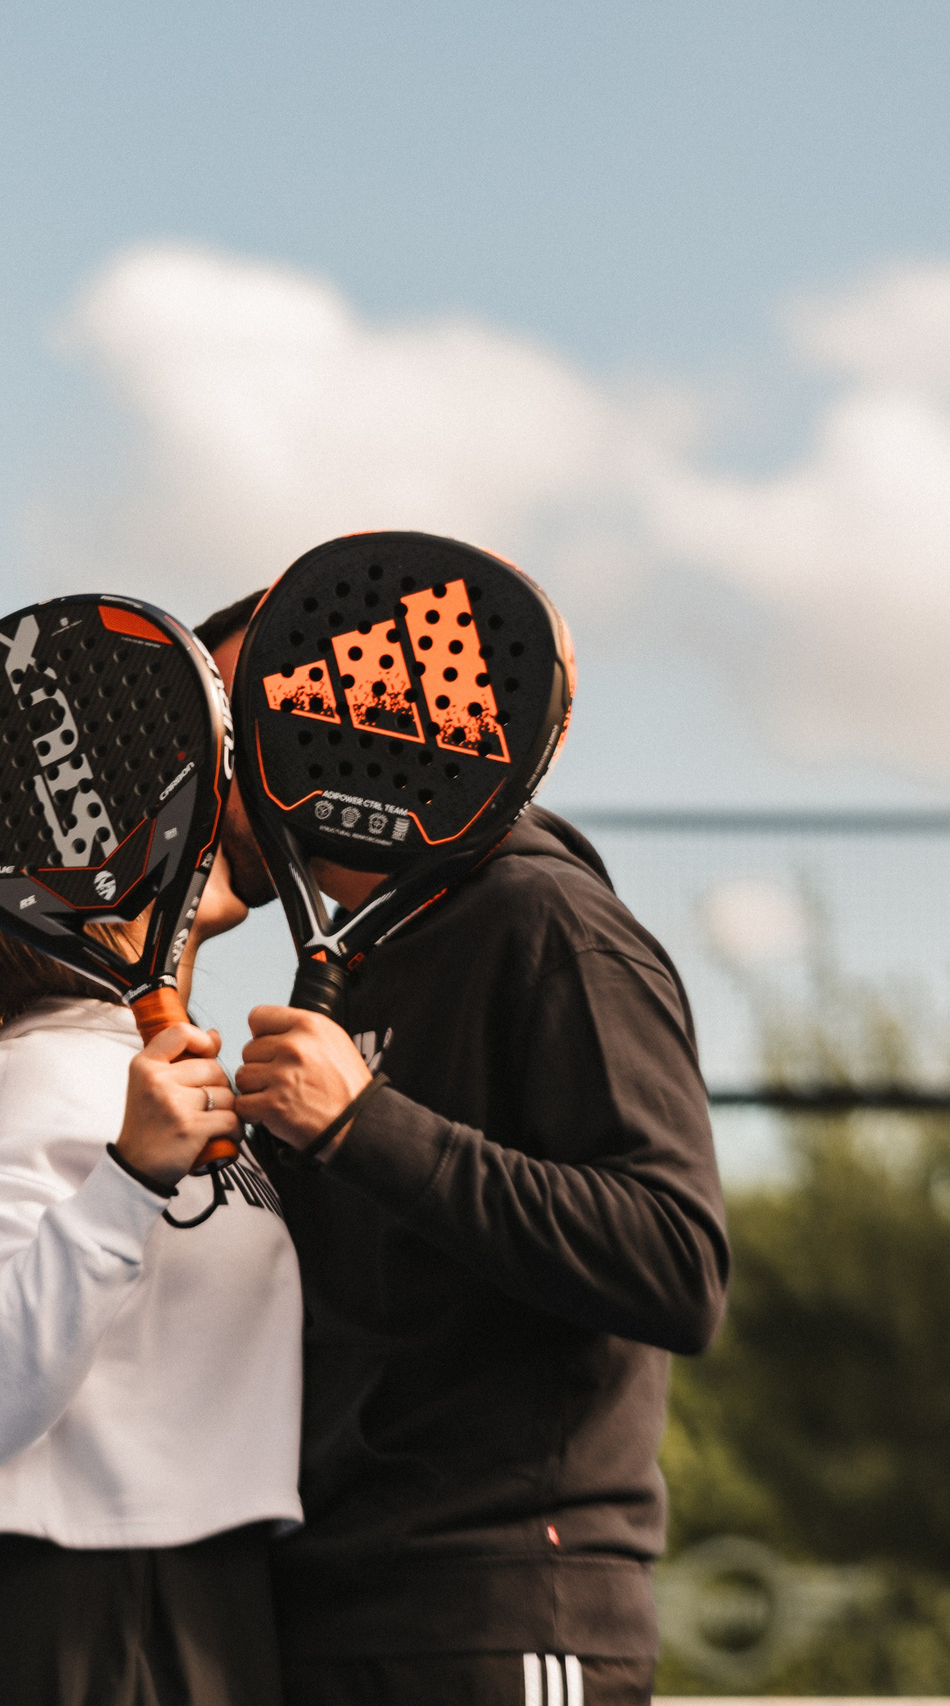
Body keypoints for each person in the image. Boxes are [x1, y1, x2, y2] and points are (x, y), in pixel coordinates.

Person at [196, 590, 730, 1706]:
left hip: (493, 1618)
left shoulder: (551, 924)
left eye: (240, 731)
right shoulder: (366, 965)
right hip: (334, 1618)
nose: (210, 779)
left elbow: (677, 1261)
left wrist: (364, 1122)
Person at [0, 852, 303, 1706]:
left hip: (205, 1622)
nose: (227, 801)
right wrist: (128, 1178)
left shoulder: (145, 1068)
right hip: (98, 1628)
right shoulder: (31, 1072)